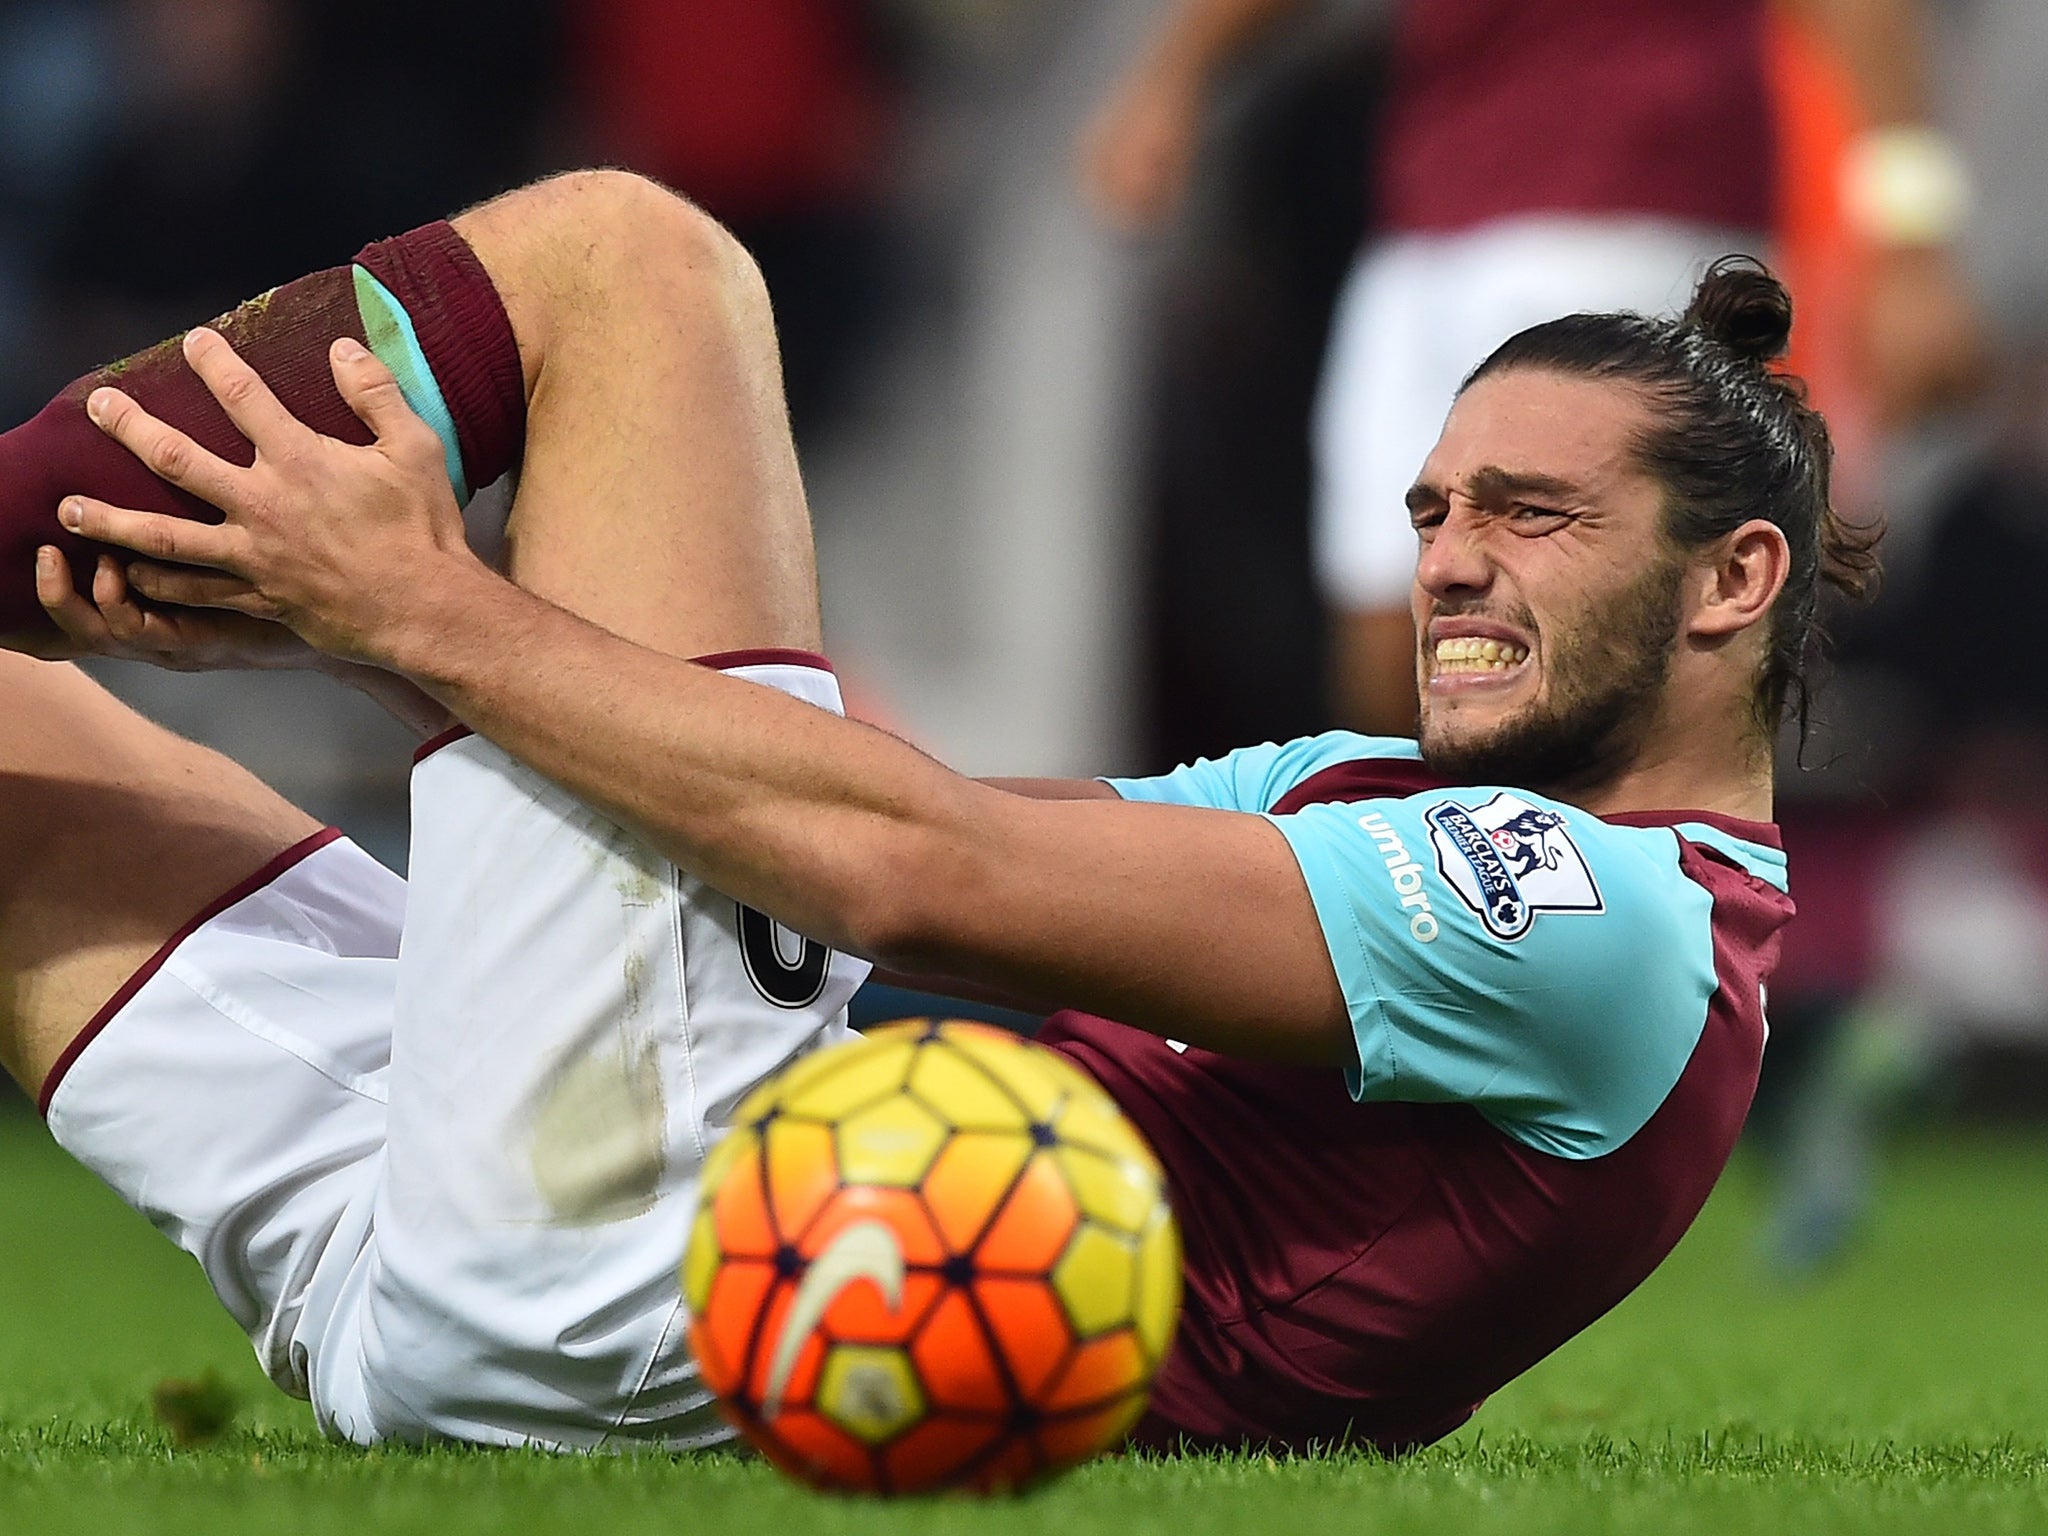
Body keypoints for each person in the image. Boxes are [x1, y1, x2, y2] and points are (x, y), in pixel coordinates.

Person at [1, 171, 1866, 1456]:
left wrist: (422, 605)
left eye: (1527, 516)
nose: (1447, 568)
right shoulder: (1356, 794)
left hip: (693, 1299)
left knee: (634, 262)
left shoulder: (1601, 922)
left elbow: (905, 869)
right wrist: (369, 640)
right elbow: (800, 816)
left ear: (1731, 581)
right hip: (548, 1251)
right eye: (1432, 515)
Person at [1085, 0, 1968, 737]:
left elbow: (1862, 13)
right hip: (1429, 229)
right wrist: (1173, 77)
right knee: (1393, 643)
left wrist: (1912, 246)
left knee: (1589, 638)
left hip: (1640, 203)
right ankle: (1429, 918)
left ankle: (1623, 917)